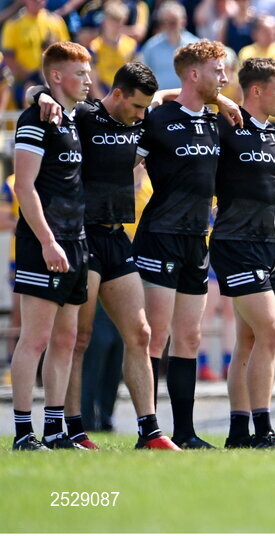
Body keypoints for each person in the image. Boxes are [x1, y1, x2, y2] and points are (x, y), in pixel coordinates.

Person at [28, 62, 179, 451]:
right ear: (117, 94)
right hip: (83, 236)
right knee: (79, 337)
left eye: (147, 108)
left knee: (141, 333)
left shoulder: (140, 118)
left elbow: (167, 98)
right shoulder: (84, 113)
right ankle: (74, 429)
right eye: (137, 107)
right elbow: (42, 96)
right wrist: (39, 95)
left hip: (117, 237)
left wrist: (224, 100)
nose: (143, 115)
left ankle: (150, 431)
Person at [135, 40, 229, 449]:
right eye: (218, 71)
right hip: (160, 237)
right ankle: (148, 431)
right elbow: (126, 165)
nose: (224, 79)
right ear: (194, 74)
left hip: (197, 240)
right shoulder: (156, 119)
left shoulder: (217, 121)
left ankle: (186, 433)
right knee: (155, 337)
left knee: (189, 338)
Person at [9, 42, 91, 450]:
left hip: (75, 243)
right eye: (80, 74)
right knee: (35, 339)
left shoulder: (74, 118)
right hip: (45, 244)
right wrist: (47, 242)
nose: (89, 81)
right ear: (56, 77)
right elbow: (23, 186)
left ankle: (55, 431)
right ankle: (24, 433)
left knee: (65, 341)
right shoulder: (35, 119)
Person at [210, 58, 275, 449]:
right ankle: (263, 429)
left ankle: (238, 431)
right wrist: (220, 99)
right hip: (234, 243)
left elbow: (260, 181)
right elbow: (167, 101)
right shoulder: (227, 124)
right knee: (273, 332)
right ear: (256, 90)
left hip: (263, 245)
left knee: (248, 340)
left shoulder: (268, 133)